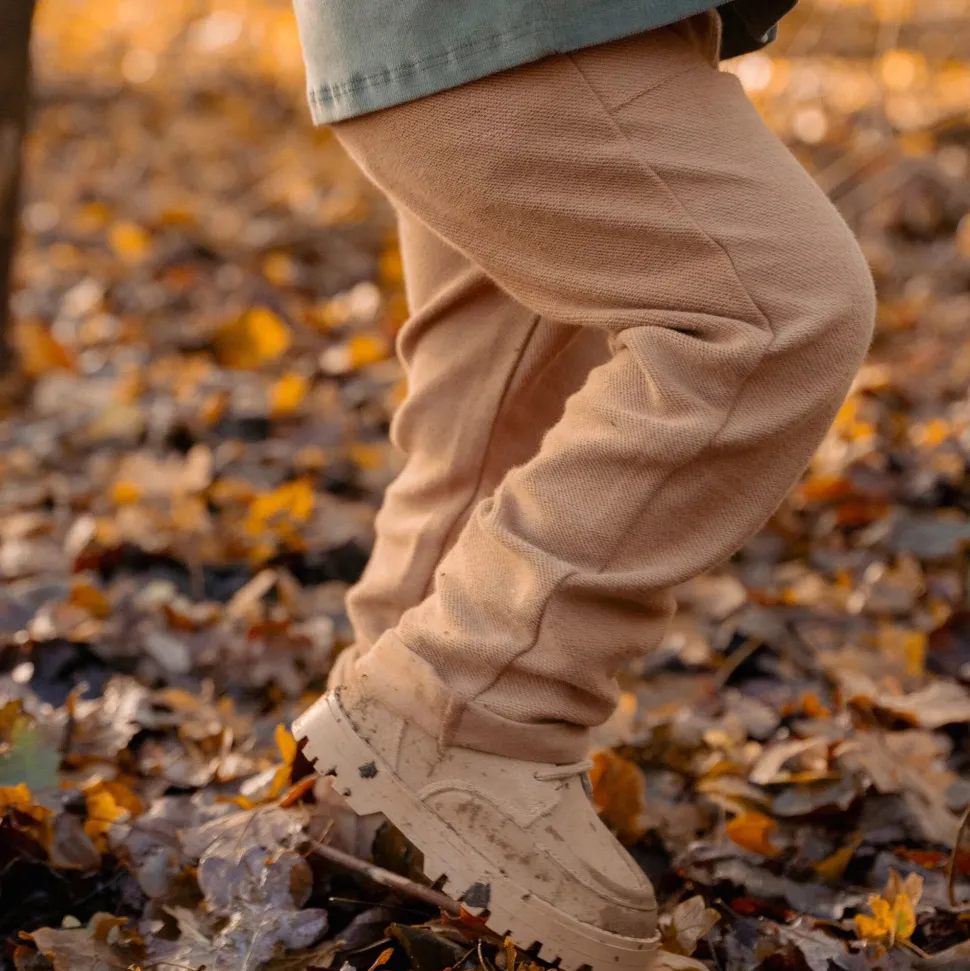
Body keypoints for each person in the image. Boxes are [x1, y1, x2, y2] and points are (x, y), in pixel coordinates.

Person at [291, 2, 876, 967]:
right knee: (775, 310)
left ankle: (377, 820)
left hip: (468, 28)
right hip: (528, 18)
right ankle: (475, 700)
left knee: (489, 403)